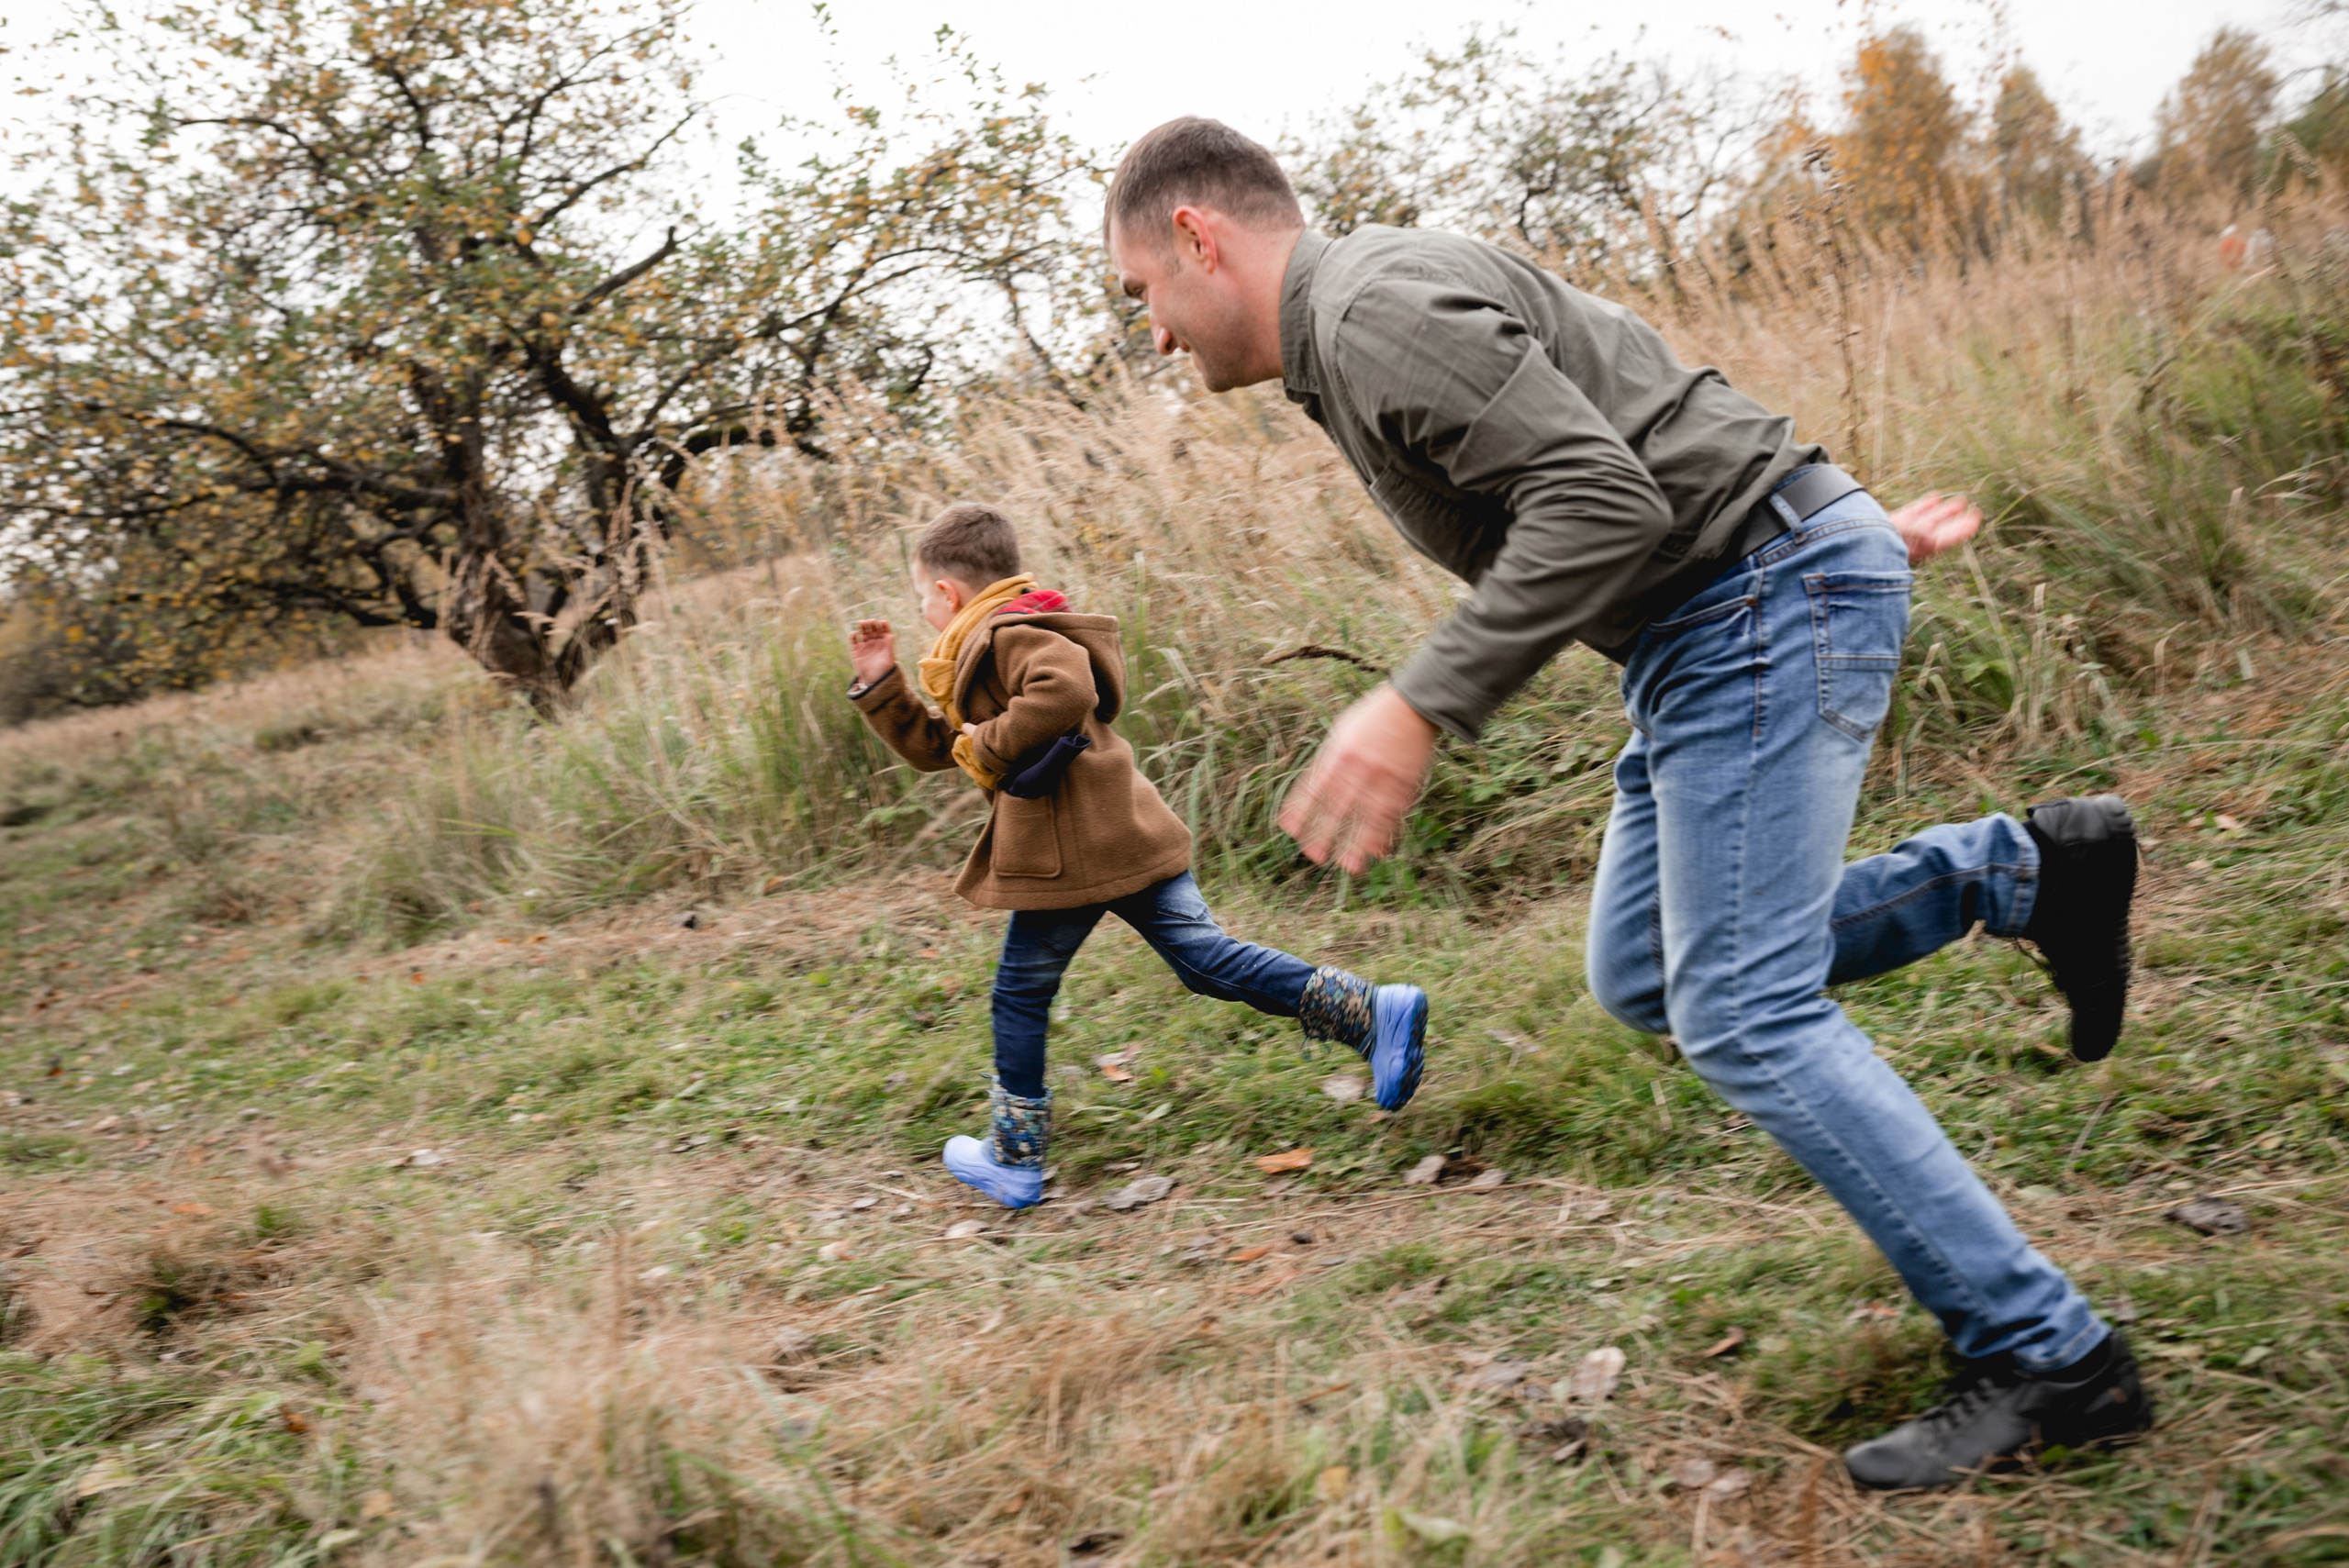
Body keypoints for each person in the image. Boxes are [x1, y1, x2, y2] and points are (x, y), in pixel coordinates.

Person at [1101, 117, 2148, 1490]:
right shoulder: (1367, 307)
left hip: (1751, 605)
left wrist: (1417, 701)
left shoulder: (1367, 313)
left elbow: (1602, 494)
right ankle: (2025, 879)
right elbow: (1632, 397)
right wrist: (1816, 520)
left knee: (1743, 1007)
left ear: (1197, 236)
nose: (1156, 339)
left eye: (1139, 299)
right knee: (1650, 970)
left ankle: (2053, 1359)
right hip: (1743, 595)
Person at [844, 500, 1431, 1209]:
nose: (921, 615)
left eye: (920, 600)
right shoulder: (989, 641)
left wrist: (988, 746)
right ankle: (1371, 1011)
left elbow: (1063, 690)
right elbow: (944, 748)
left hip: (1071, 855)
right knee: (1207, 960)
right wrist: (884, 685)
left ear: (947, 592)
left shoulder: (1012, 634)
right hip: (1120, 833)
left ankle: (1014, 1156)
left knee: (1020, 994)